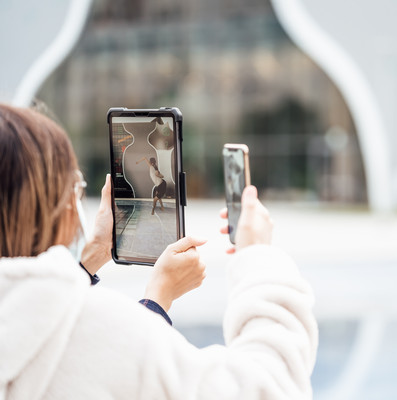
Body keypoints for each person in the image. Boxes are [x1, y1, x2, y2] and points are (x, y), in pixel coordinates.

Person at [0, 104, 318, 399]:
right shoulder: (101, 328)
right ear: (57, 208)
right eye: (75, 188)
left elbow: (37, 320)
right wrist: (258, 258)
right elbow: (269, 387)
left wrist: (91, 257)